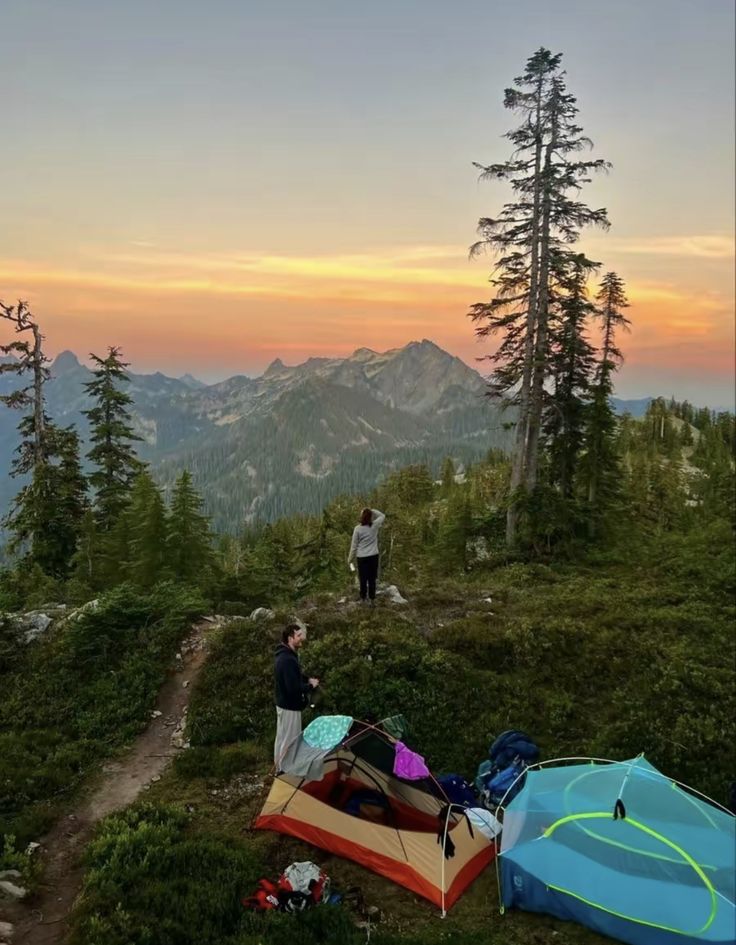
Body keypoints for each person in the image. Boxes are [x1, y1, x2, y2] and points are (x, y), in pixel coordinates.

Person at [274, 623, 319, 768]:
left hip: (283, 704)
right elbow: (293, 688)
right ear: (290, 638)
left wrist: (306, 679)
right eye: (298, 636)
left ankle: (279, 766)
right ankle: (286, 770)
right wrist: (310, 686)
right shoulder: (287, 659)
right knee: (291, 740)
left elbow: (294, 676)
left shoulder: (286, 655)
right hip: (290, 706)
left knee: (282, 737)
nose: (302, 638)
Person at [347, 507, 386, 604]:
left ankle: (363, 598)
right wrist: (372, 510)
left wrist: (350, 559)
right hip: (373, 556)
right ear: (370, 517)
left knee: (363, 579)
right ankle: (372, 599)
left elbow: (354, 546)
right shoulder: (375, 526)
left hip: (362, 557)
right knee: (372, 579)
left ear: (362, 516)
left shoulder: (357, 529)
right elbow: (382, 515)